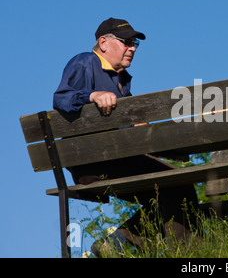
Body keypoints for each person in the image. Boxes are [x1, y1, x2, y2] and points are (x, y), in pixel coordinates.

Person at [54, 17, 198, 256]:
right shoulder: (85, 62)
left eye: (134, 44)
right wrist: (92, 96)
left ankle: (118, 245)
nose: (132, 48)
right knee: (176, 185)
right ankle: (189, 256)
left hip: (117, 158)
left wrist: (140, 128)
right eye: (126, 42)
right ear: (103, 43)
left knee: (176, 186)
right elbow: (61, 98)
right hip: (94, 161)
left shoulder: (122, 80)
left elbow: (128, 133)